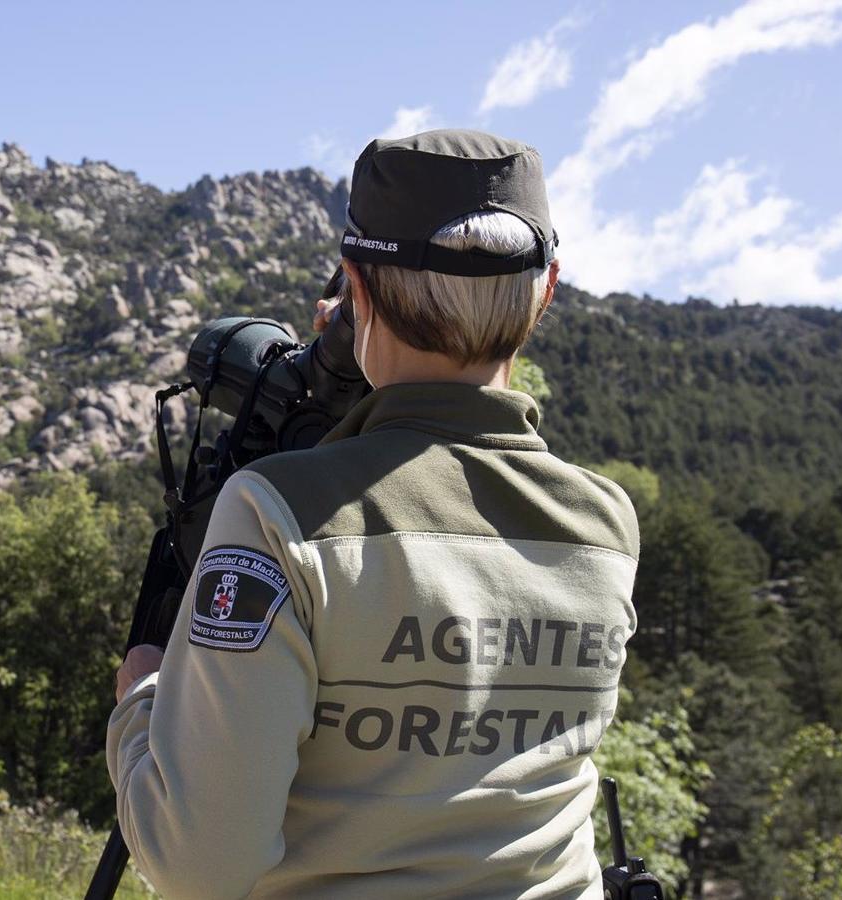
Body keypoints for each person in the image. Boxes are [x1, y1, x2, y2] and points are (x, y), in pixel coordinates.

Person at [106, 129, 640, 899]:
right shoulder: (607, 524)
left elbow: (199, 865)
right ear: (547, 288)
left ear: (355, 287)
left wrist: (142, 700)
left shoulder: (276, 511)